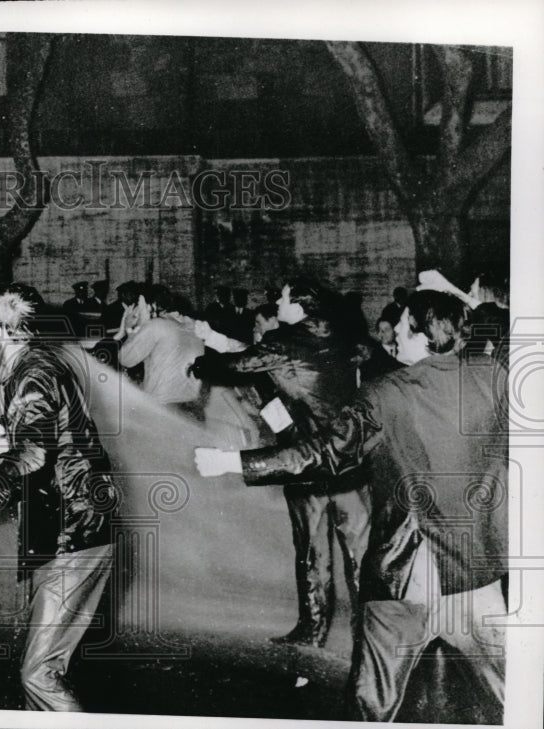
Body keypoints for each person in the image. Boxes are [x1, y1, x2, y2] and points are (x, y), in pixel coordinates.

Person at [194, 291, 507, 722]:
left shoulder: (388, 392)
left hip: (408, 578)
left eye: (401, 324)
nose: (393, 330)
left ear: (418, 333)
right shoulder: (494, 375)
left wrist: (232, 462)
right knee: (513, 695)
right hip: (479, 572)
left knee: (372, 704)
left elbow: (326, 453)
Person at [189, 278, 370, 647]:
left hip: (304, 461)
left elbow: (240, 364)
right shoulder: (341, 335)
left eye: (284, 296)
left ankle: (312, 631)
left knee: (311, 553)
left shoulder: (286, 341)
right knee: (360, 557)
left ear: (299, 305)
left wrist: (201, 362)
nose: (277, 301)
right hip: (349, 460)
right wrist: (214, 337)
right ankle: (369, 639)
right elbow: (266, 356)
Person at [0, 283, 116, 712]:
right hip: (64, 518)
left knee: (39, 673)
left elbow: (35, 449)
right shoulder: (30, 364)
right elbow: (39, 430)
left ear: (0, 327)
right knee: (40, 665)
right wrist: (1, 433)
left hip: (74, 525)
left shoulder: (33, 373)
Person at [117, 287, 204, 412]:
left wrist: (130, 329)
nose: (136, 312)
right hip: (193, 406)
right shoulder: (195, 326)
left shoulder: (157, 325)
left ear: (151, 306)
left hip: (164, 407)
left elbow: (125, 358)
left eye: (139, 307)